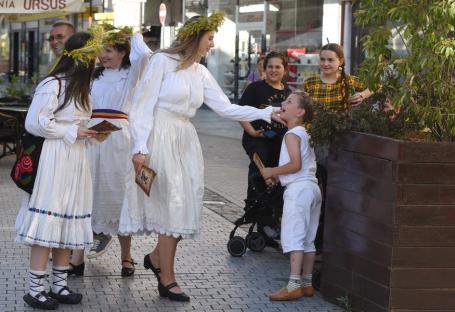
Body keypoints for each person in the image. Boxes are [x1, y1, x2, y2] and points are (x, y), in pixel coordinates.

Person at [119, 11, 283, 302]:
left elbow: (226, 109)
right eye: (209, 38)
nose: (212, 44)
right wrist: (140, 147)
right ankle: (167, 279)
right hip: (160, 136)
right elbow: (142, 107)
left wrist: (267, 112)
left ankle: (157, 258)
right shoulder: (161, 62)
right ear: (195, 37)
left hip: (185, 140)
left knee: (184, 207)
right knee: (172, 207)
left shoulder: (200, 71)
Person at [15, 32, 105, 310]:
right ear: (82, 56)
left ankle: (59, 285)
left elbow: (75, 125)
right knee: (50, 220)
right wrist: (72, 131)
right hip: (54, 159)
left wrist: (91, 134)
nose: (99, 58)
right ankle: (35, 289)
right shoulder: (53, 84)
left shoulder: (82, 87)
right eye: (94, 53)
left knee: (68, 220)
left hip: (75, 159)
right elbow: (35, 122)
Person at [68, 28, 152, 277]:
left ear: (122, 52)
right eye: (100, 50)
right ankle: (78, 257)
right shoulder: (93, 77)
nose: (102, 55)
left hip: (119, 139)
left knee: (120, 195)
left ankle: (127, 257)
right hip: (92, 137)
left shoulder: (131, 74)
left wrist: (134, 36)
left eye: (108, 50)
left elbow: (146, 57)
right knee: (88, 193)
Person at [259, 91, 321, 301]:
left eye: (289, 101)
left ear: (300, 112)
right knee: (308, 239)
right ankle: (307, 283)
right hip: (312, 188)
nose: (283, 103)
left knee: (294, 236)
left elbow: (295, 164)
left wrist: (271, 171)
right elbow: (300, 165)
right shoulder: (304, 133)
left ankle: (293, 284)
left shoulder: (291, 134)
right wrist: (278, 177)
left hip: (299, 190)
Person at [239, 51, 290, 239]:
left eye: (278, 67)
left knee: (277, 178)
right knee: (260, 170)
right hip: (257, 138)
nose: (274, 70)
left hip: (279, 141)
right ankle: (256, 214)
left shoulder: (288, 92)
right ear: (264, 68)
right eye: (270, 67)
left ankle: (270, 219)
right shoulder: (255, 88)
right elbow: (240, 112)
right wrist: (251, 131)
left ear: (285, 70)